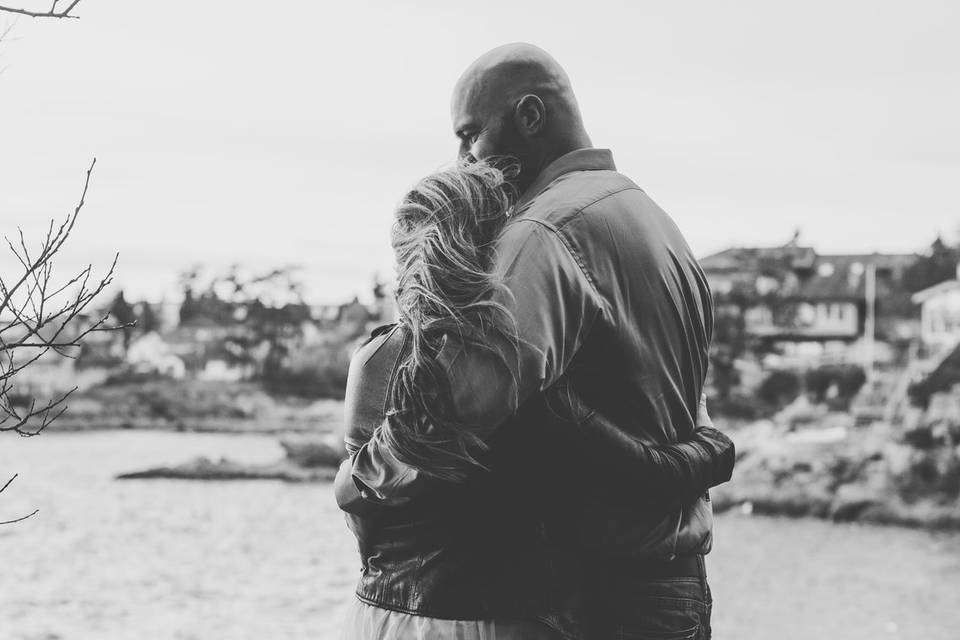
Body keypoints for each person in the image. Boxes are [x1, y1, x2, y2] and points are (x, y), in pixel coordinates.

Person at [336, 160, 733, 640]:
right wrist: (714, 445)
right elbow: (649, 473)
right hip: (500, 618)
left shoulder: (375, 357)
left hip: (380, 612)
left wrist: (356, 487)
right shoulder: (522, 372)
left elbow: (362, 521)